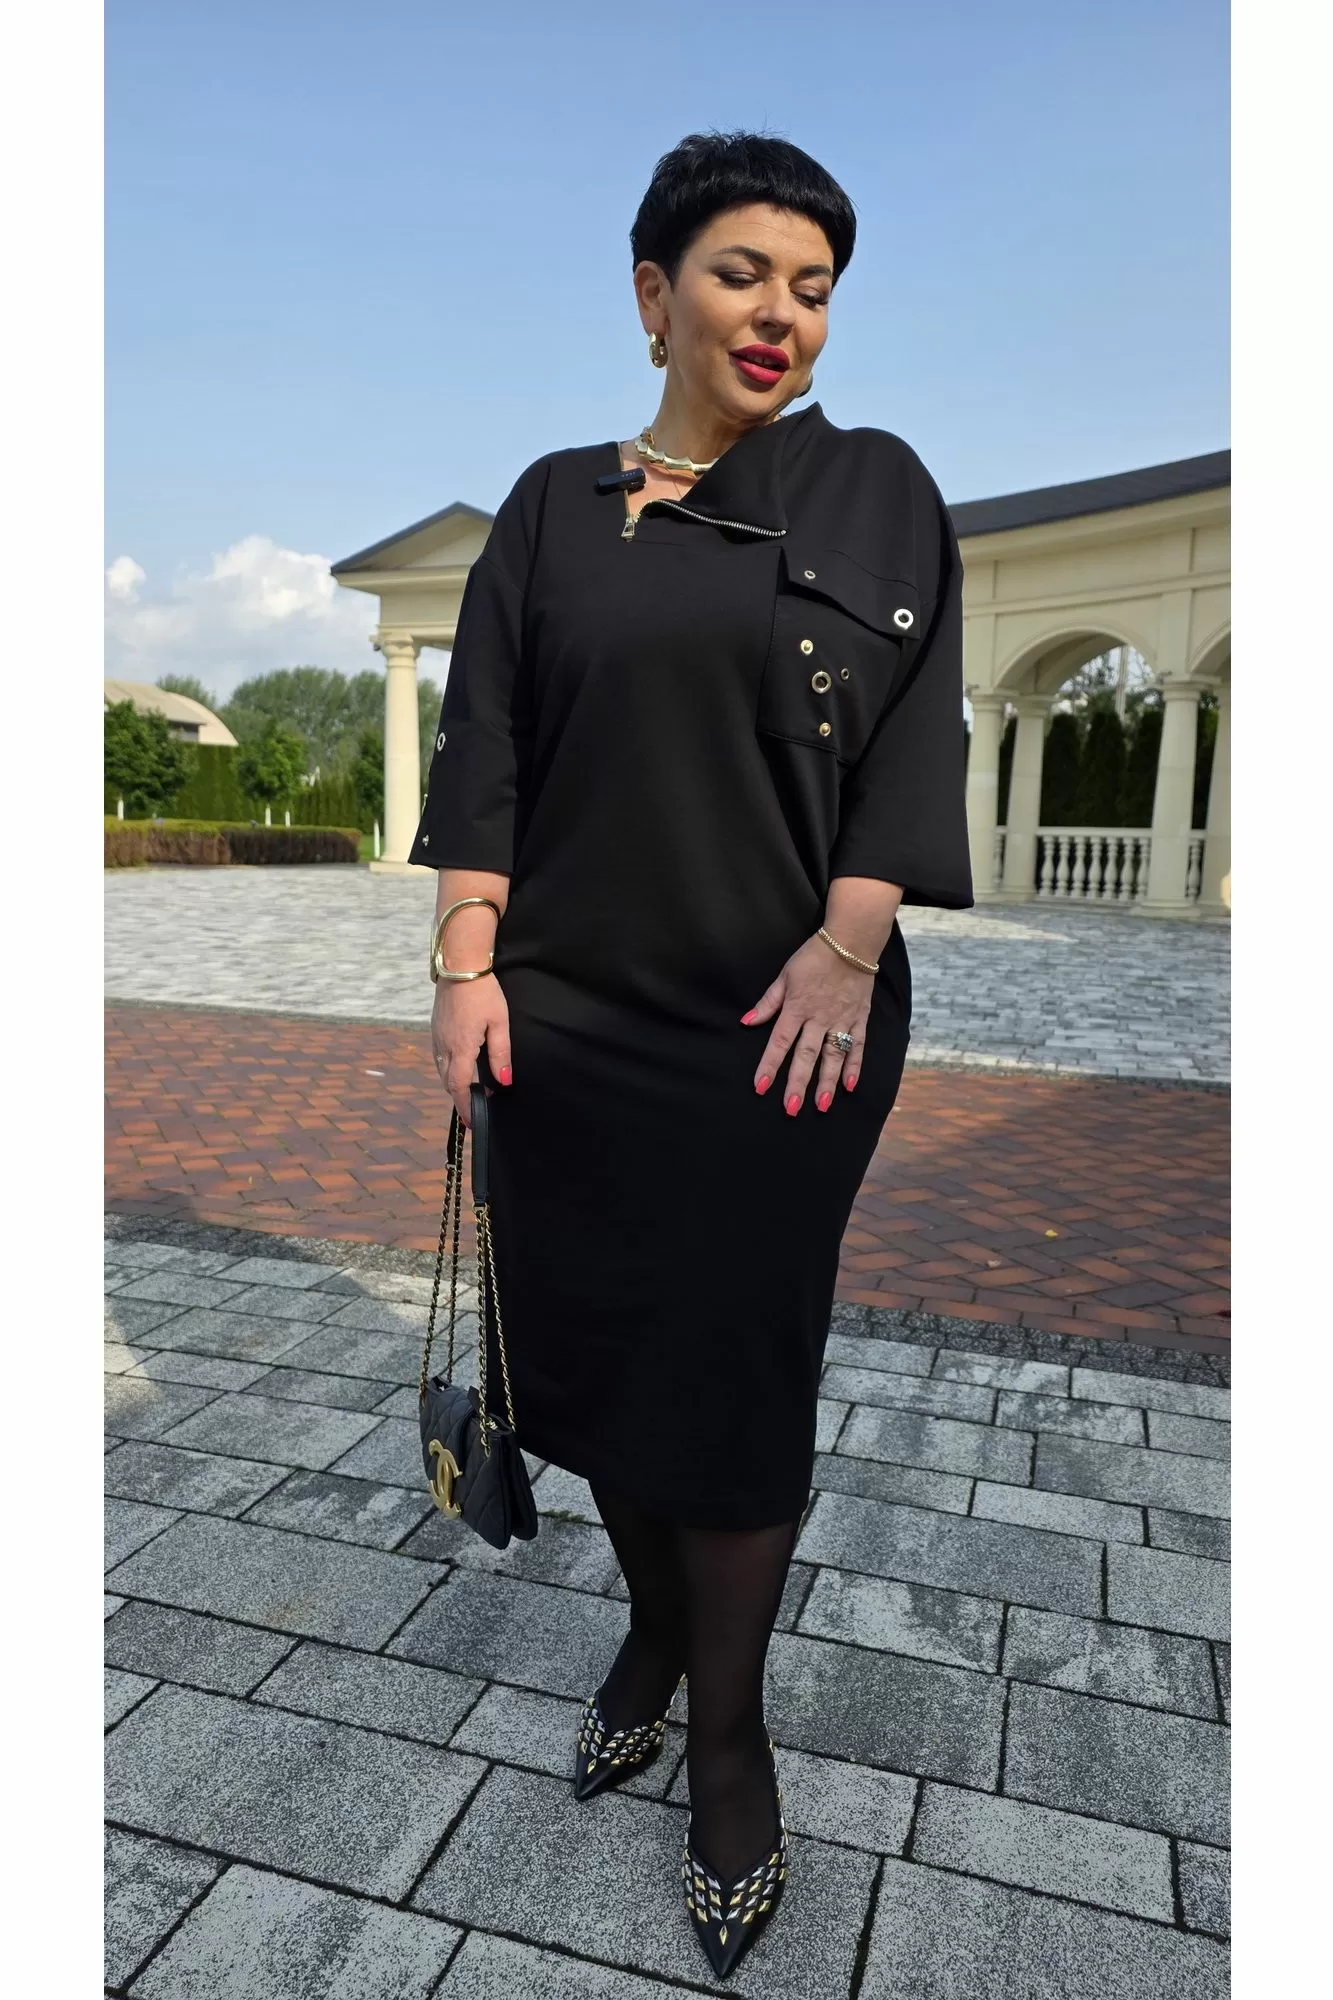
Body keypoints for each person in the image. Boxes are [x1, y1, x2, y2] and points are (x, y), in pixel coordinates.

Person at [412, 129, 972, 1981]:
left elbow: (915, 741)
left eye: (813, 288)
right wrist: (464, 964)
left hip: (781, 1024)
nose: (780, 313)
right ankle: (655, 1632)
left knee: (726, 1380)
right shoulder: (551, 507)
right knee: (586, 1360)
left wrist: (848, 945)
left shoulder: (876, 488)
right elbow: (484, 745)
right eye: (744, 273)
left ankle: (729, 1746)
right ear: (655, 293)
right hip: (564, 1018)